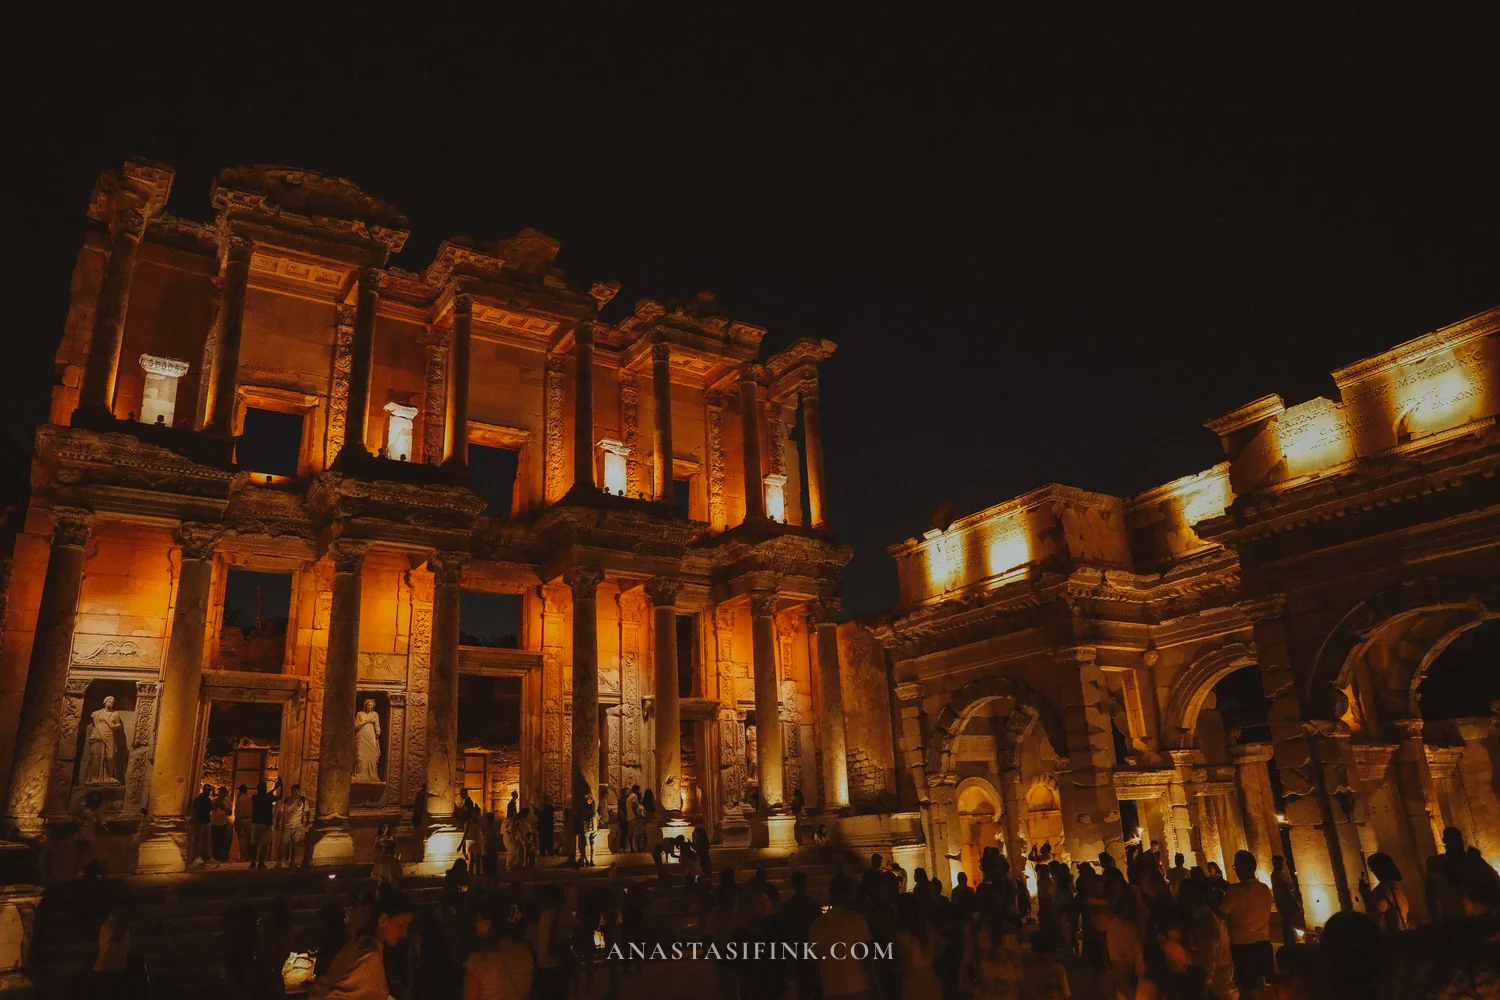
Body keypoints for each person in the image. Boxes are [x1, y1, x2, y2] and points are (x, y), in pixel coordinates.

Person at [309, 889, 415, 999]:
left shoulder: (361, 945)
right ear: (383, 920)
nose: (404, 933)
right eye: (401, 925)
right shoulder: (369, 955)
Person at [809, 875, 875, 1000]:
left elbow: (814, 959)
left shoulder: (818, 924)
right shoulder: (856, 920)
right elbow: (865, 956)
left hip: (831, 989)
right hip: (858, 986)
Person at [1219, 850, 1274, 997]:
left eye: (1235, 867)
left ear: (1241, 868)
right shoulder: (1264, 889)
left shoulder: (1234, 891)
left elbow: (1222, 914)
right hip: (1264, 942)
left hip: (1243, 946)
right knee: (1268, 986)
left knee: (1249, 987)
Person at [463, 894, 534, 1000]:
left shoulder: (477, 962)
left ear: (488, 924)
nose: (476, 923)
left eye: (478, 919)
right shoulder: (524, 951)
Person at [1136, 902, 1211, 1000]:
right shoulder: (1151, 986)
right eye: (1183, 938)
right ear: (1162, 940)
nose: (1193, 946)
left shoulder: (1197, 974)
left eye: (1194, 936)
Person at [893, 893, 942, 1000]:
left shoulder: (903, 936)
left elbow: (906, 967)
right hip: (930, 976)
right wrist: (930, 959)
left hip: (914, 981)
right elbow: (942, 944)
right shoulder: (927, 928)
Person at [1364, 851, 1409, 934]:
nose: (1373, 873)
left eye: (1373, 869)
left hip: (1391, 938)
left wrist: (1366, 896)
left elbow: (1374, 917)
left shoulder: (1383, 889)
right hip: (1403, 933)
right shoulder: (1399, 885)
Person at [1269, 855, 1303, 945]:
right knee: (1288, 926)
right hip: (1286, 904)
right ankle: (1290, 945)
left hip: (1283, 904)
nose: (1282, 864)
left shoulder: (1278, 874)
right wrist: (1295, 904)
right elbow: (1286, 890)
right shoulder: (1277, 875)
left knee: (1288, 926)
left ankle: (1290, 944)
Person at [250, 779, 281, 868]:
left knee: (254, 844)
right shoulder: (267, 798)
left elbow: (266, 795)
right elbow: (279, 797)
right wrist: (278, 787)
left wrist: (274, 789)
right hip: (265, 824)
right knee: (264, 845)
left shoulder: (254, 797)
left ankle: (253, 862)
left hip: (256, 823)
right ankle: (261, 862)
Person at [278, 783, 309, 868]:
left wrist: (307, 821)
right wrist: (278, 822)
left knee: (295, 844)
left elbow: (307, 811)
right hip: (286, 825)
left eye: (297, 791)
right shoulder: (286, 800)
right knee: (283, 844)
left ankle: (292, 861)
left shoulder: (303, 801)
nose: (296, 792)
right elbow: (280, 812)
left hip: (297, 825)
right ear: (291, 791)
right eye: (294, 791)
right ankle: (279, 861)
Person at [191, 783, 216, 868]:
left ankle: (208, 856)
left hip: (206, 821)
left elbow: (210, 808)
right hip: (200, 821)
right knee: (199, 840)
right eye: (208, 790)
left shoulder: (208, 799)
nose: (209, 792)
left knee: (207, 839)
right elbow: (195, 809)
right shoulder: (199, 799)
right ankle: (197, 857)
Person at [372, 822, 402, 887]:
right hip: (382, 860)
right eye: (383, 826)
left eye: (386, 826)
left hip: (389, 859)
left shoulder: (390, 837)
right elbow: (376, 847)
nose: (385, 828)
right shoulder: (377, 837)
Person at [211, 786, 234, 863]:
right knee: (212, 839)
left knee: (220, 840)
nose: (222, 794)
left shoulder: (227, 802)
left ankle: (219, 856)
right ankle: (211, 855)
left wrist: (224, 808)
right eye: (220, 792)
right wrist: (216, 805)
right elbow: (210, 808)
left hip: (222, 824)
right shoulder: (214, 801)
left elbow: (230, 813)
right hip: (213, 823)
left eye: (223, 792)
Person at [234, 784, 254, 863]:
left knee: (241, 839)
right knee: (248, 838)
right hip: (250, 819)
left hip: (242, 820)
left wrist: (237, 820)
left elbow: (238, 811)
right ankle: (248, 856)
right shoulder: (251, 798)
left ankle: (243, 856)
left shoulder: (240, 799)